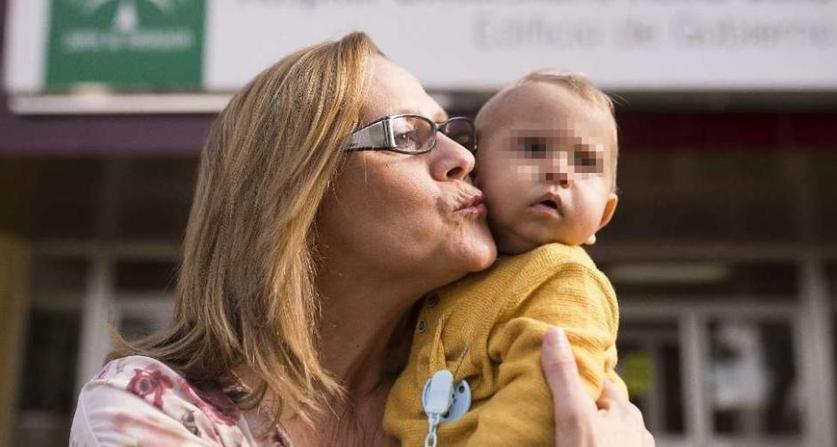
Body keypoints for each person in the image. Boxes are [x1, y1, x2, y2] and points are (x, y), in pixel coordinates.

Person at [68, 32, 653, 447]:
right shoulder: (153, 410)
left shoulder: (485, 368)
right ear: (296, 187)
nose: (462, 158)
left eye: (454, 134)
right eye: (408, 134)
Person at [384, 71, 624, 446]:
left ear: (603, 217)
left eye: (585, 162)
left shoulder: (566, 279)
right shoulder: (452, 273)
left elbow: (543, 399)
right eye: (532, 148)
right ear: (474, 174)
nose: (559, 172)